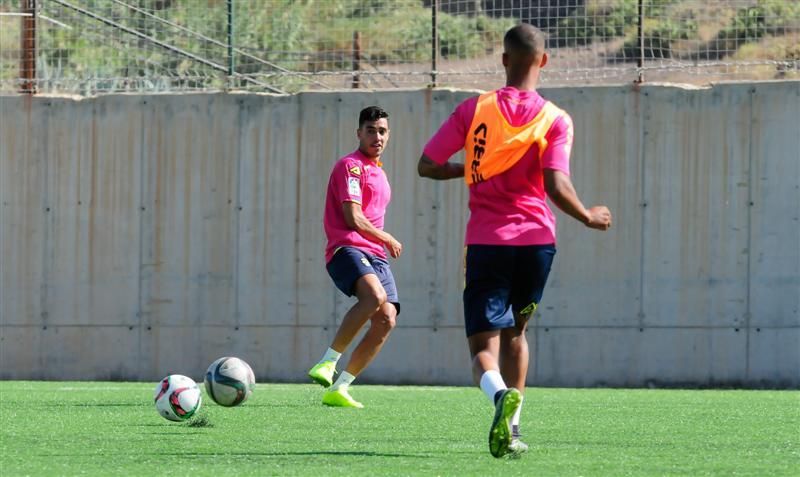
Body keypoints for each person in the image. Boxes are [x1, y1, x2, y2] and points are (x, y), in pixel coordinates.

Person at [417, 24, 612, 457]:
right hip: (537, 244)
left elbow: (428, 164)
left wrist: (469, 169)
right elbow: (556, 184)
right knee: (518, 334)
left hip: (488, 242)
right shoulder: (556, 119)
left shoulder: (474, 110)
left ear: (504, 60)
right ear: (544, 61)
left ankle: (499, 396)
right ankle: (516, 430)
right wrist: (587, 215)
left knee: (481, 348)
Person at [307, 106, 403, 408]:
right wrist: (387, 237)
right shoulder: (351, 166)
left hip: (375, 256)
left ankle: (341, 387)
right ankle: (327, 361)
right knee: (374, 296)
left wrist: (380, 243)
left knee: (387, 319)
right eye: (371, 130)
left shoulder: (379, 172)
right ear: (359, 133)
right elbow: (353, 218)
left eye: (383, 131)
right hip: (346, 247)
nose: (378, 136)